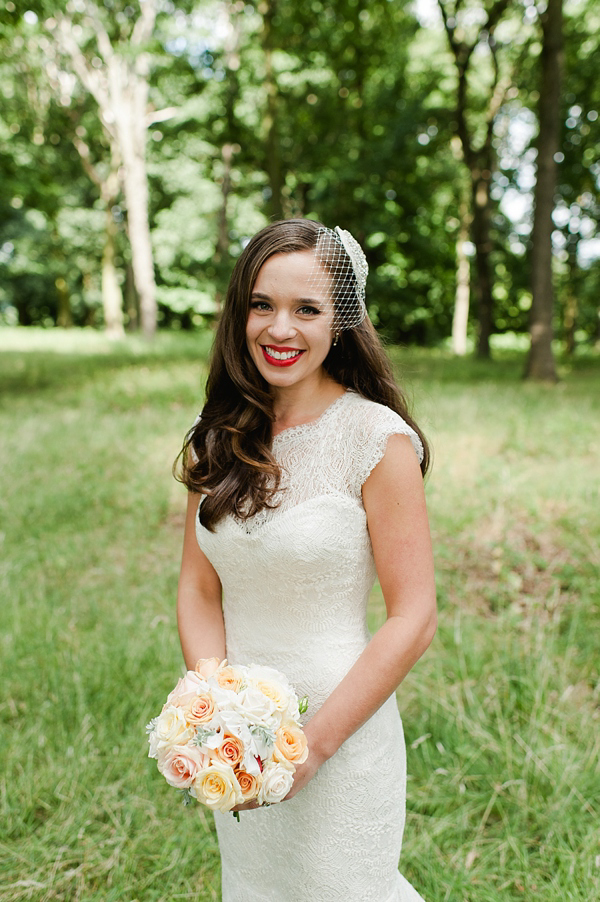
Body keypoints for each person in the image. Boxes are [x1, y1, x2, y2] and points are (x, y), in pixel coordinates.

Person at [175, 218, 436, 901]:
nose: (279, 329)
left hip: (342, 738)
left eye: (307, 309)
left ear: (341, 322)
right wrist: (216, 713)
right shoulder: (220, 434)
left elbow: (414, 616)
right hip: (244, 750)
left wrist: (311, 747)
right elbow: (200, 590)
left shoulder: (376, 440)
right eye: (262, 304)